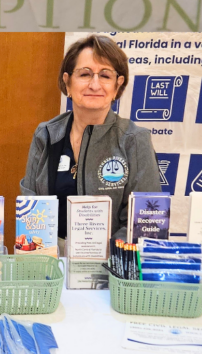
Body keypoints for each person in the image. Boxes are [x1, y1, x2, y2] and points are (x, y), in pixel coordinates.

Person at [20, 35, 161, 238]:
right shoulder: (46, 134)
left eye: (105, 76)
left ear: (117, 86)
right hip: (51, 257)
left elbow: (145, 220)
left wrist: (109, 260)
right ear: (67, 83)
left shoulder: (134, 140)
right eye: (85, 74)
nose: (95, 85)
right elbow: (29, 204)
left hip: (112, 261)